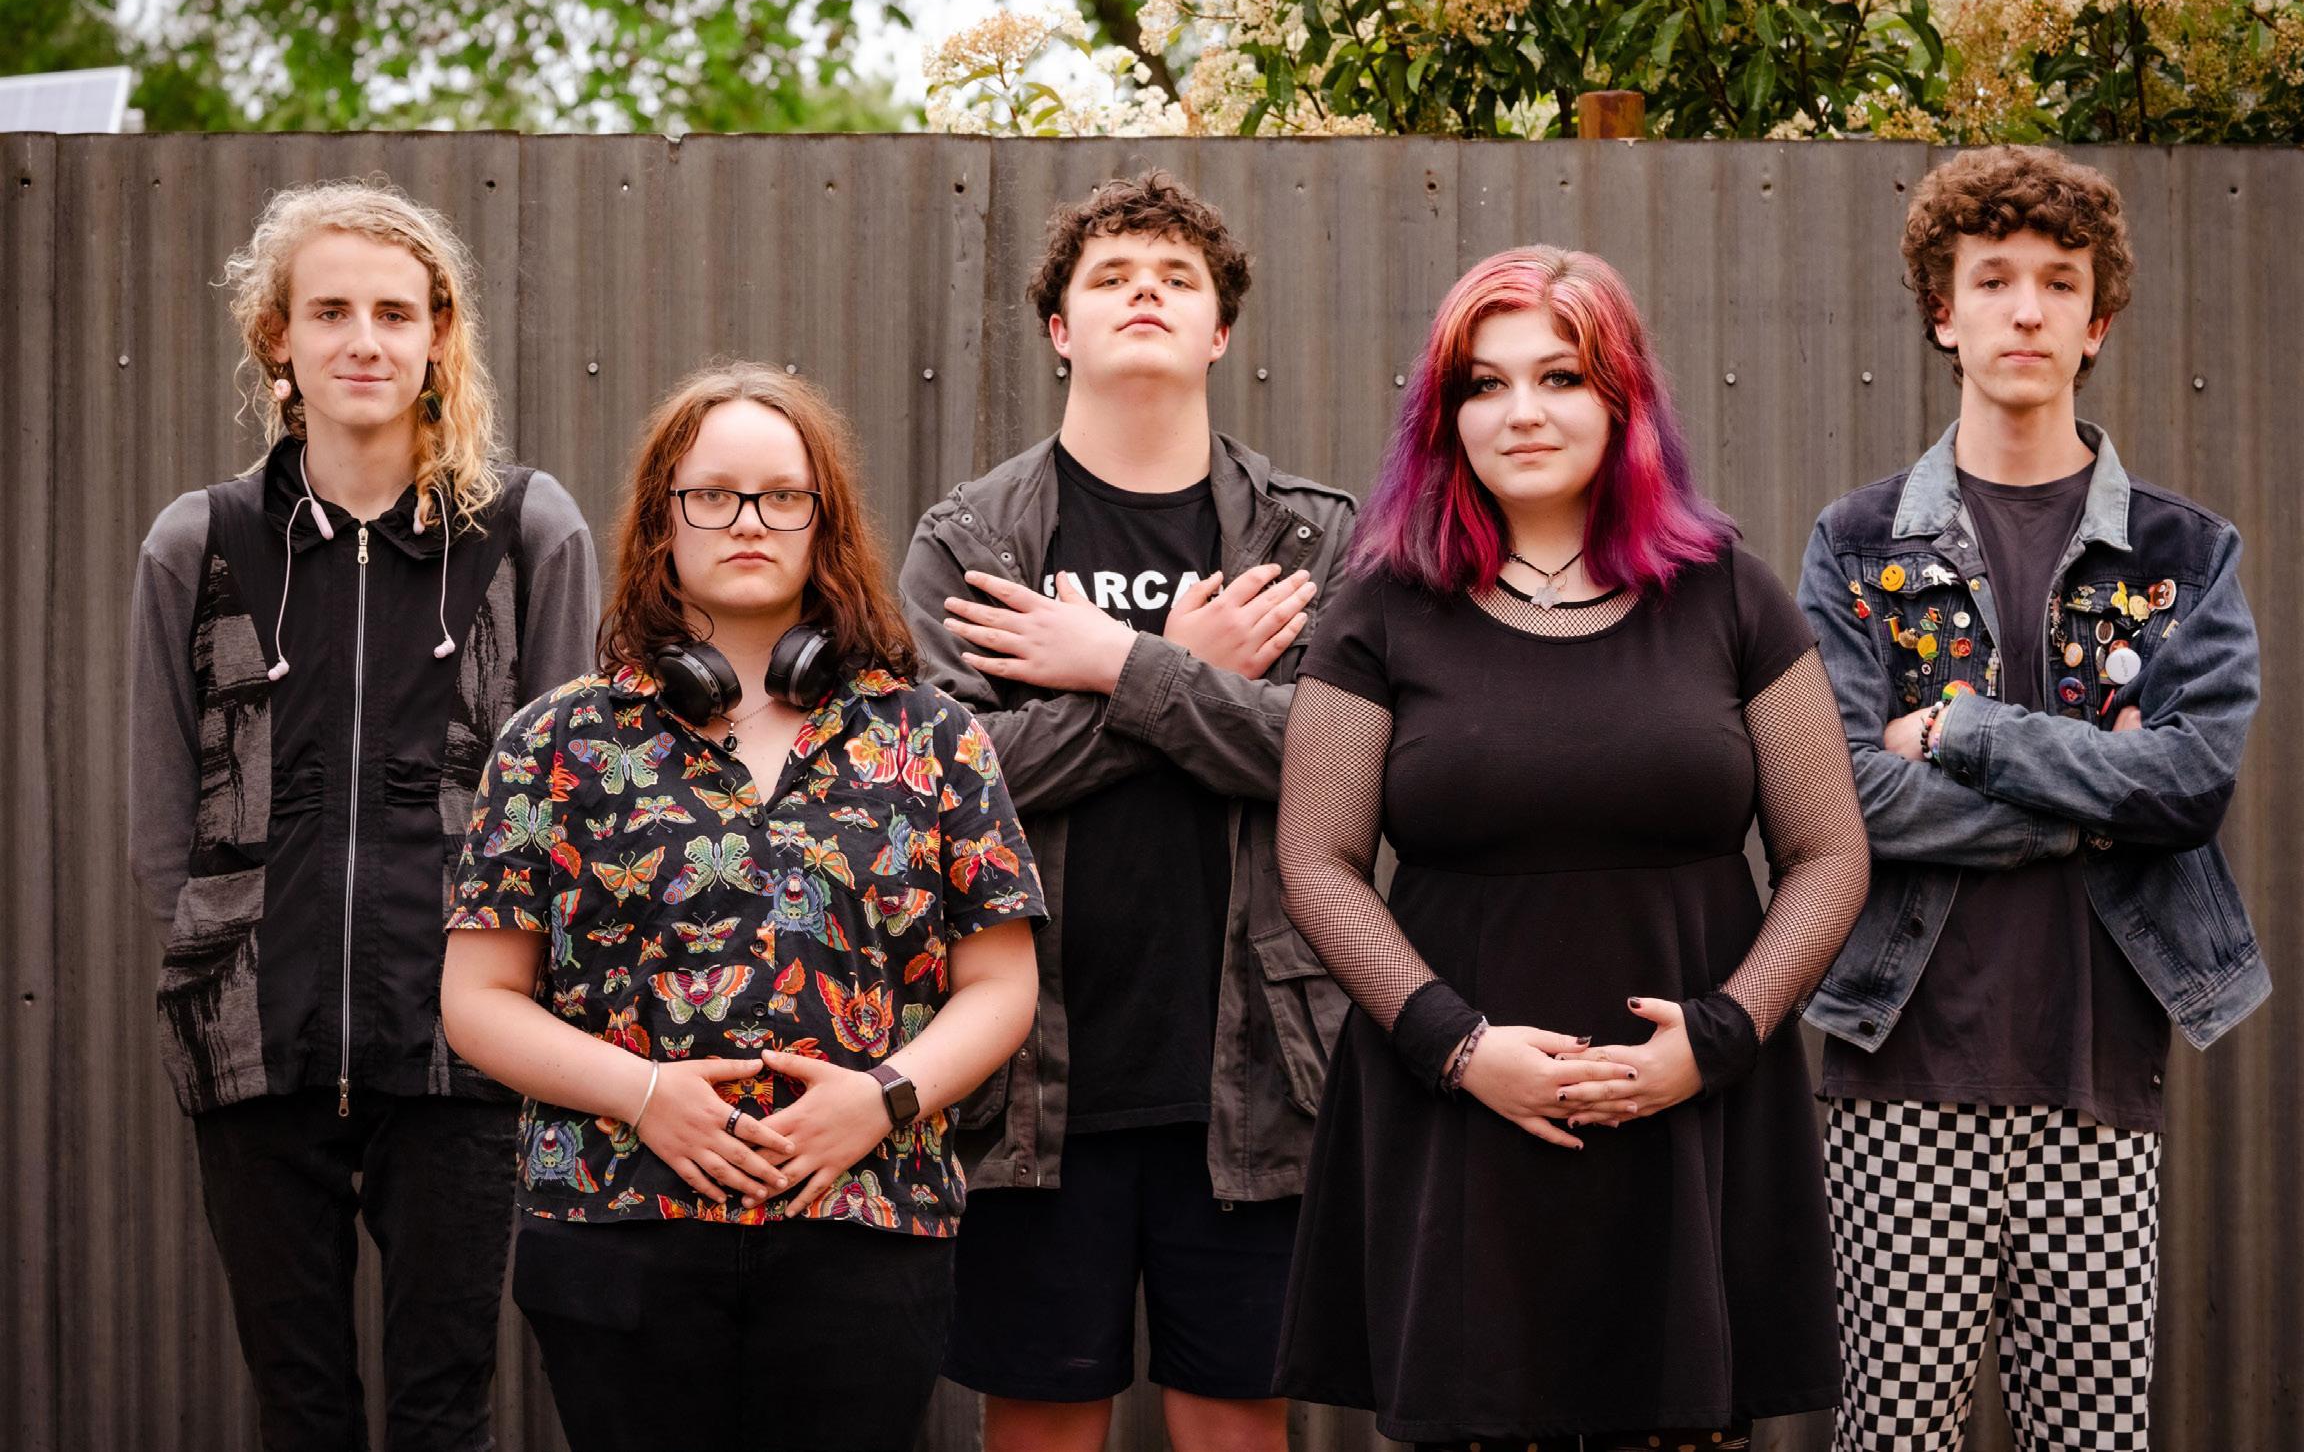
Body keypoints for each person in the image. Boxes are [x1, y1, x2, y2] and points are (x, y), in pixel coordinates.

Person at [1273, 245, 1870, 1451]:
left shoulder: (1729, 595)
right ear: (1444, 418)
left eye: (1558, 377)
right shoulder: (1378, 608)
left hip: (1688, 1122)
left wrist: (1717, 1038)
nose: (1521, 412)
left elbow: (1826, 853)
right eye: (1482, 384)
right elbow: (1316, 861)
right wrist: (1457, 1048)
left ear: (1621, 400)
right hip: (1458, 1120)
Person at [440, 361, 1043, 1452]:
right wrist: (644, 1095)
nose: (749, 521)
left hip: (867, 1220)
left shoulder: (932, 738)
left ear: (825, 521)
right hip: (617, 1223)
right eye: (712, 495)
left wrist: (883, 1102)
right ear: (661, 521)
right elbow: (478, 1000)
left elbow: (1001, 983)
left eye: (782, 496)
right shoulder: (555, 741)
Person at [1798, 146, 2267, 1451]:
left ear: (2095, 319)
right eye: (1991, 279)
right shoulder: (1858, 544)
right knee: (1894, 1435)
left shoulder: (2181, 555)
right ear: (1942, 313)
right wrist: (2094, 795)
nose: (2024, 309)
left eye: (2058, 283)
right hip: (1898, 1084)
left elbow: (2191, 781)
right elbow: (1841, 796)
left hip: (2099, 1084)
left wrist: (1961, 730)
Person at [126, 177, 598, 1451]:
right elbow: (164, 825)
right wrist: (222, 959)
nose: (364, 341)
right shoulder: (200, 541)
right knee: (302, 1409)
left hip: (462, 1041)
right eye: (329, 312)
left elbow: (570, 793)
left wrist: (523, 991)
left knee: (446, 1407)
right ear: (276, 337)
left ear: (439, 336)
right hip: (252, 1038)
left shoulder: (525, 531)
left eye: (395, 313)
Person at [897, 170, 1355, 1452]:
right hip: (1030, 1079)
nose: (1142, 293)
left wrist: (1116, 664)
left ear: (1218, 331)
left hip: (1256, 1072)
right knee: (1040, 1424)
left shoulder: (1307, 538)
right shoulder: (974, 541)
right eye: (1109, 276)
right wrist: (1187, 675)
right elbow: (945, 785)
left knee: (1236, 1424)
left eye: (1174, 278)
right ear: (1059, 329)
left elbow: (1335, 759)